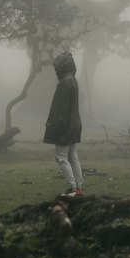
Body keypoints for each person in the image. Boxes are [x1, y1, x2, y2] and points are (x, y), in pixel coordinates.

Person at [43, 51, 83, 196]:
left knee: (61, 157)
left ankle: (72, 188)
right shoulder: (72, 79)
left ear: (63, 66)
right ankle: (79, 188)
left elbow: (62, 107)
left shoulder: (65, 82)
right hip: (74, 124)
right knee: (73, 157)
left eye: (57, 68)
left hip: (65, 125)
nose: (56, 70)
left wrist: (57, 126)